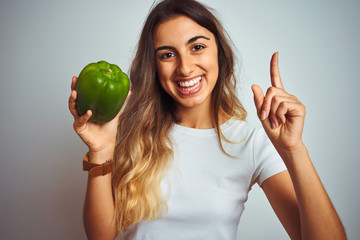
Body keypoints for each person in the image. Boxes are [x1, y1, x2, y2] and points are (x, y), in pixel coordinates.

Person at [68, 0, 346, 239]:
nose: (185, 67)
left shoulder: (251, 142)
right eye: (167, 54)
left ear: (220, 54)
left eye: (197, 47)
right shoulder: (126, 130)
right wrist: (101, 151)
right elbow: (101, 236)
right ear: (154, 67)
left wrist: (294, 149)